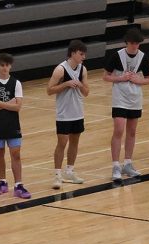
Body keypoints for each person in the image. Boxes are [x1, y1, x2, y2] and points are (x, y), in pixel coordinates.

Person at [104, 30, 149, 180]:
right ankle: (115, 166)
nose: (134, 46)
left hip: (135, 98)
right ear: (127, 43)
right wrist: (120, 77)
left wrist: (139, 81)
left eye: (137, 44)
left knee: (132, 131)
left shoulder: (143, 57)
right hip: (120, 98)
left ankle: (128, 163)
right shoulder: (117, 55)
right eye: (132, 43)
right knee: (118, 129)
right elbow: (105, 76)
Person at [0, 53, 29, 199]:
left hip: (12, 124)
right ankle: (2, 182)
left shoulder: (16, 83)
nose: (5, 68)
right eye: (2, 65)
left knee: (16, 153)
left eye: (7, 65)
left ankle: (19, 184)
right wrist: (8, 104)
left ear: (10, 66)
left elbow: (18, 107)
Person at [47, 40, 89, 190]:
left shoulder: (82, 70)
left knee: (75, 142)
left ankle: (69, 171)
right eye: (81, 54)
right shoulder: (60, 69)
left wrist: (80, 85)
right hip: (64, 113)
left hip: (77, 112)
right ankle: (57, 175)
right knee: (62, 143)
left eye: (84, 54)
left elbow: (86, 92)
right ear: (73, 53)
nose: (83, 57)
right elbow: (49, 90)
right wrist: (65, 84)